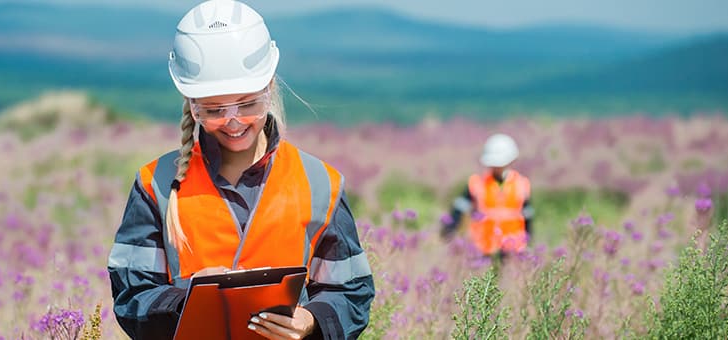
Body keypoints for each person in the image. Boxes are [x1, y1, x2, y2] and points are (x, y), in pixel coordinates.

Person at [107, 1, 375, 339]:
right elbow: (131, 295)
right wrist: (190, 300)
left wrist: (309, 320)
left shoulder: (321, 184)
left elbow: (351, 292)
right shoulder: (155, 185)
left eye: (248, 104)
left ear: (269, 89)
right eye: (215, 109)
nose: (233, 121)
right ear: (193, 106)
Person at [441, 133, 533, 256]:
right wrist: (450, 229)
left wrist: (528, 241)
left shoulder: (521, 184)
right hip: (483, 248)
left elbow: (527, 216)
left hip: (514, 249)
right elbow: (459, 208)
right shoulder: (477, 184)